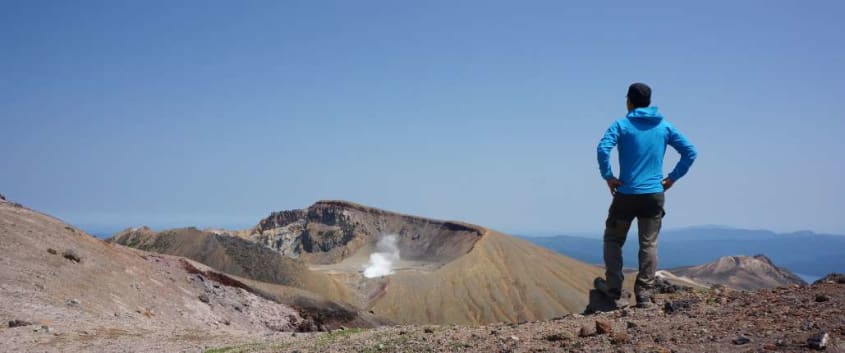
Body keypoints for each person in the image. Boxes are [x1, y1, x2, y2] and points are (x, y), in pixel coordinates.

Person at [595, 82, 697, 308]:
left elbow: (603, 148)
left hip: (626, 194)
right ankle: (643, 295)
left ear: (629, 101)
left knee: (613, 239)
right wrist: (672, 178)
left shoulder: (621, 125)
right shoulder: (664, 127)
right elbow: (690, 152)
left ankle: (613, 287)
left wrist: (608, 175)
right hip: (653, 195)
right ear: (649, 102)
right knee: (648, 244)